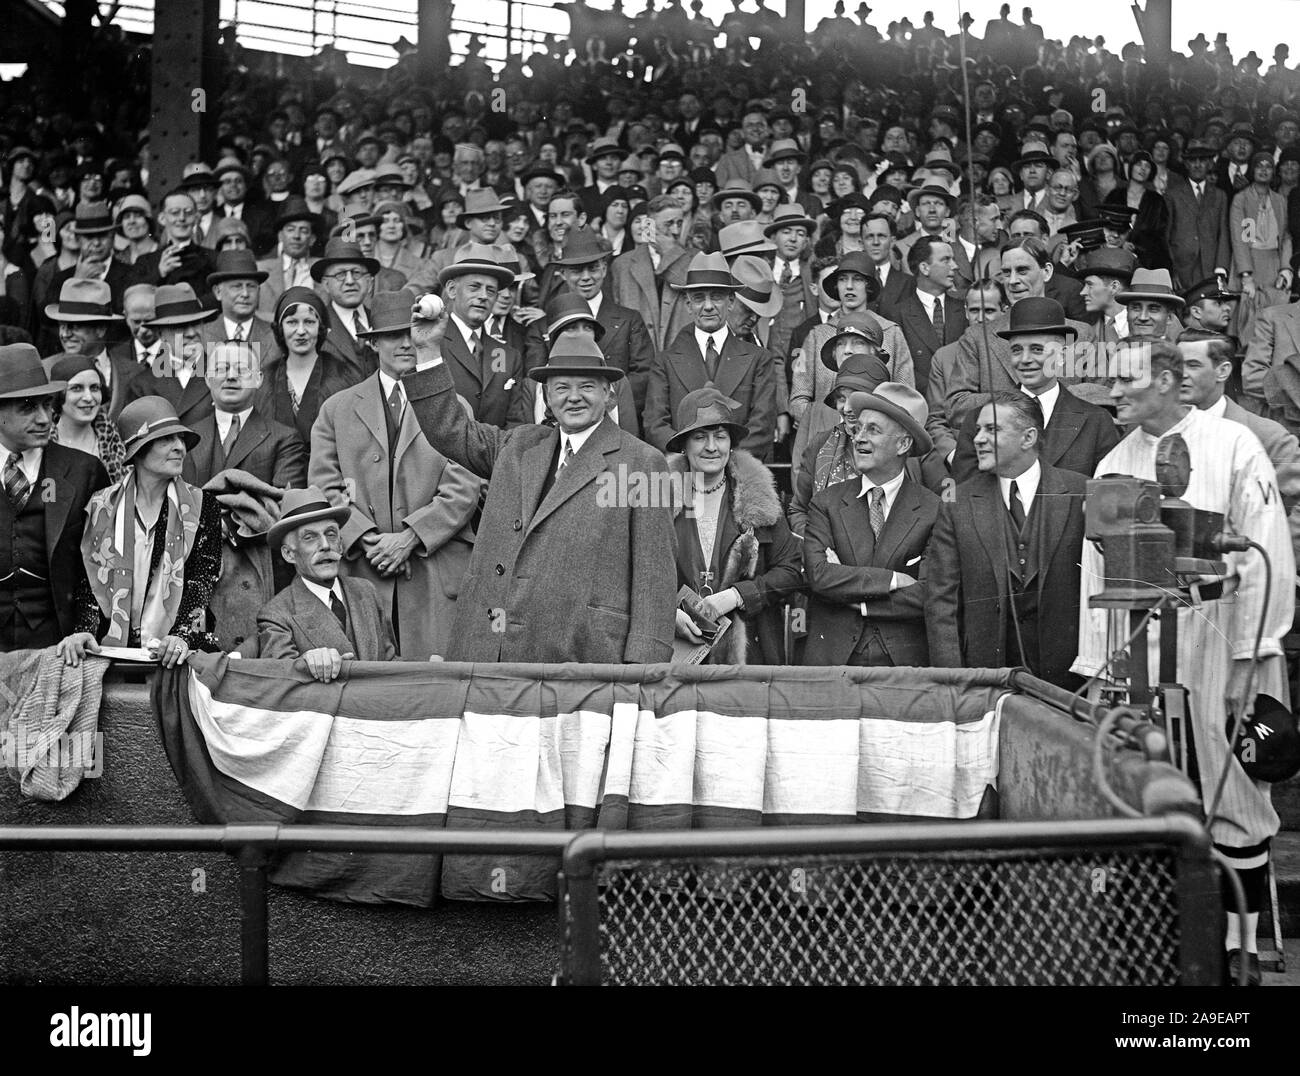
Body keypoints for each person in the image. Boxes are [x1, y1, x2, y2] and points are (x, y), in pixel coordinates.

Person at [1076, 340, 1295, 985]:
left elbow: (1266, 549)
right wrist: (1098, 663)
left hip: (1225, 631)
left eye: (1125, 381)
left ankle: (1242, 945)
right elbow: (1095, 566)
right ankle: (1169, 940)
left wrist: (1253, 656)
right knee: (1155, 784)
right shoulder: (1116, 461)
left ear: (1169, 380)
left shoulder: (1233, 444)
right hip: (1142, 640)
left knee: (1234, 784)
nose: (1112, 392)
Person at [401, 321, 676, 664]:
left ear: (610, 394)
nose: (572, 397)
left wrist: (644, 668)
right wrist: (428, 351)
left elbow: (655, 575)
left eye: (587, 386)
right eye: (561, 387)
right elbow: (449, 431)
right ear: (546, 396)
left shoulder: (643, 463)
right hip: (493, 649)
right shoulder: (518, 445)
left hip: (586, 656)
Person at [310, 290, 480, 660]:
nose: (405, 343)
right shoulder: (336, 409)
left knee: (433, 689)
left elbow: (464, 486)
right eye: (392, 335)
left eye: (412, 331)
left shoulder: (454, 406)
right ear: (374, 343)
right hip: (363, 568)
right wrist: (368, 538)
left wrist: (410, 537)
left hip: (432, 570)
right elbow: (325, 486)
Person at [928, 389, 1088, 688]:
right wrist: (953, 681)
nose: (977, 439)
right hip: (985, 680)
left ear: (1028, 438)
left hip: (1069, 682)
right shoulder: (956, 502)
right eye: (978, 430)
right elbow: (941, 601)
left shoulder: (1080, 491)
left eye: (993, 429)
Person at [57, 395, 223, 667]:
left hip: (180, 649)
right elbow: (91, 583)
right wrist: (83, 630)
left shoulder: (203, 505)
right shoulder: (101, 505)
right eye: (166, 439)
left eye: (180, 439)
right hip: (112, 649)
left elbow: (201, 580)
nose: (179, 447)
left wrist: (182, 636)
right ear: (138, 450)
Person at [802, 383, 940, 666]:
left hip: (903, 664)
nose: (859, 438)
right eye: (858, 429)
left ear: (903, 444)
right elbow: (818, 575)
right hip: (832, 662)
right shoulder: (826, 503)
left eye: (873, 430)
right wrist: (893, 580)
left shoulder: (932, 509)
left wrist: (859, 599)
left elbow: (930, 592)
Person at [183, 339, 307, 651]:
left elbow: (281, 504)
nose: (231, 377)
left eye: (241, 369)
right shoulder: (184, 437)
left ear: (258, 379)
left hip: (258, 568)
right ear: (208, 378)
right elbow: (176, 499)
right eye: (222, 369)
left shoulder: (284, 438)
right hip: (195, 569)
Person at [665, 386, 803, 664]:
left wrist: (738, 595)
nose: (712, 447)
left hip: (749, 650)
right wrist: (667, 613)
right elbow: (633, 575)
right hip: (675, 650)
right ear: (683, 444)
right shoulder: (657, 498)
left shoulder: (757, 498)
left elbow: (792, 569)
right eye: (700, 437)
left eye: (720, 436)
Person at [0, 344, 109, 652]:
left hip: (62, 645)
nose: (45, 419)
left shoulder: (83, 472)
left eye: (47, 406)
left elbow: (103, 566)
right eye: (27, 407)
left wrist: (85, 630)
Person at [950, 298, 1119, 482]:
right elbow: (966, 494)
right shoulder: (979, 419)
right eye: (1016, 350)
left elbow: (1105, 496)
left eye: (1037, 349)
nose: (1025, 359)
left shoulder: (1096, 421)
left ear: (1062, 355)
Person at [643, 251, 777, 461]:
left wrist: (724, 462)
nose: (707, 306)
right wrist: (694, 459)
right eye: (698, 298)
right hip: (685, 474)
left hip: (738, 473)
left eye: (716, 296)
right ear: (688, 305)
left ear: (731, 301)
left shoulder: (759, 359)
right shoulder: (664, 362)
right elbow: (655, 424)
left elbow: (762, 425)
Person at [256, 486, 397, 678]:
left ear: (340, 543)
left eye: (331, 534)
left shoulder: (366, 591)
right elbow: (282, 680)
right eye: (310, 537)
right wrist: (305, 662)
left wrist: (430, 671)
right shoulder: (276, 614)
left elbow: (390, 665)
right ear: (289, 554)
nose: (324, 545)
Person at [256, 285, 358, 448]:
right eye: (292, 322)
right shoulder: (264, 379)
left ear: (321, 327)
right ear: (280, 328)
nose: (301, 331)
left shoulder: (343, 376)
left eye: (309, 322)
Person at [436, 244, 525, 427]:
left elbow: (515, 423)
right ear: (452, 290)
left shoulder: (508, 355)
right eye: (474, 287)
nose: (483, 296)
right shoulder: (432, 345)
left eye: (491, 290)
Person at [877, 235, 968, 393]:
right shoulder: (896, 315)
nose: (954, 266)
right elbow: (896, 368)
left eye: (953, 259)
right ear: (925, 268)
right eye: (946, 260)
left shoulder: (965, 308)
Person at [121, 283, 218, 427]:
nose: (191, 333)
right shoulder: (142, 386)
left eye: (196, 323)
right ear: (161, 333)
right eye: (180, 326)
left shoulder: (223, 372)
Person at [609, 194, 692, 351]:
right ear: (649, 226)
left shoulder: (695, 259)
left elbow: (688, 286)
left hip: (682, 356)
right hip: (639, 357)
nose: (675, 230)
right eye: (669, 224)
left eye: (679, 223)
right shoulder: (622, 264)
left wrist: (671, 252)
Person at [47, 353, 126, 483]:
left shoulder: (114, 442)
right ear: (59, 395)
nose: (89, 398)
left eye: (94, 388)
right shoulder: (41, 444)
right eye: (77, 388)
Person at [1165, 140, 1231, 293]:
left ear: (1209, 164)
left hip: (1209, 267)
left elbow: (1223, 234)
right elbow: (1166, 235)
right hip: (1182, 268)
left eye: (1202, 161)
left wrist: (1221, 269)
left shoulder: (1220, 195)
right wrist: (1171, 269)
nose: (1197, 165)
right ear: (1186, 164)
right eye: (1192, 161)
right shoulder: (1173, 194)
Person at [310, 237, 379, 381]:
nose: (349, 281)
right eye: (340, 274)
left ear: (369, 282)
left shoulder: (380, 320)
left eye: (356, 273)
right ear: (326, 284)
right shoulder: (315, 327)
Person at [201, 249, 278, 360]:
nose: (245, 294)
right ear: (218, 292)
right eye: (237, 286)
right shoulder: (202, 336)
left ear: (259, 291)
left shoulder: (276, 336)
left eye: (251, 286)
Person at [253, 198, 320, 320]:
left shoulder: (321, 270)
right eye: (290, 230)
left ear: (312, 239)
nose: (296, 236)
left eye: (303, 231)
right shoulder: (260, 269)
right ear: (280, 236)